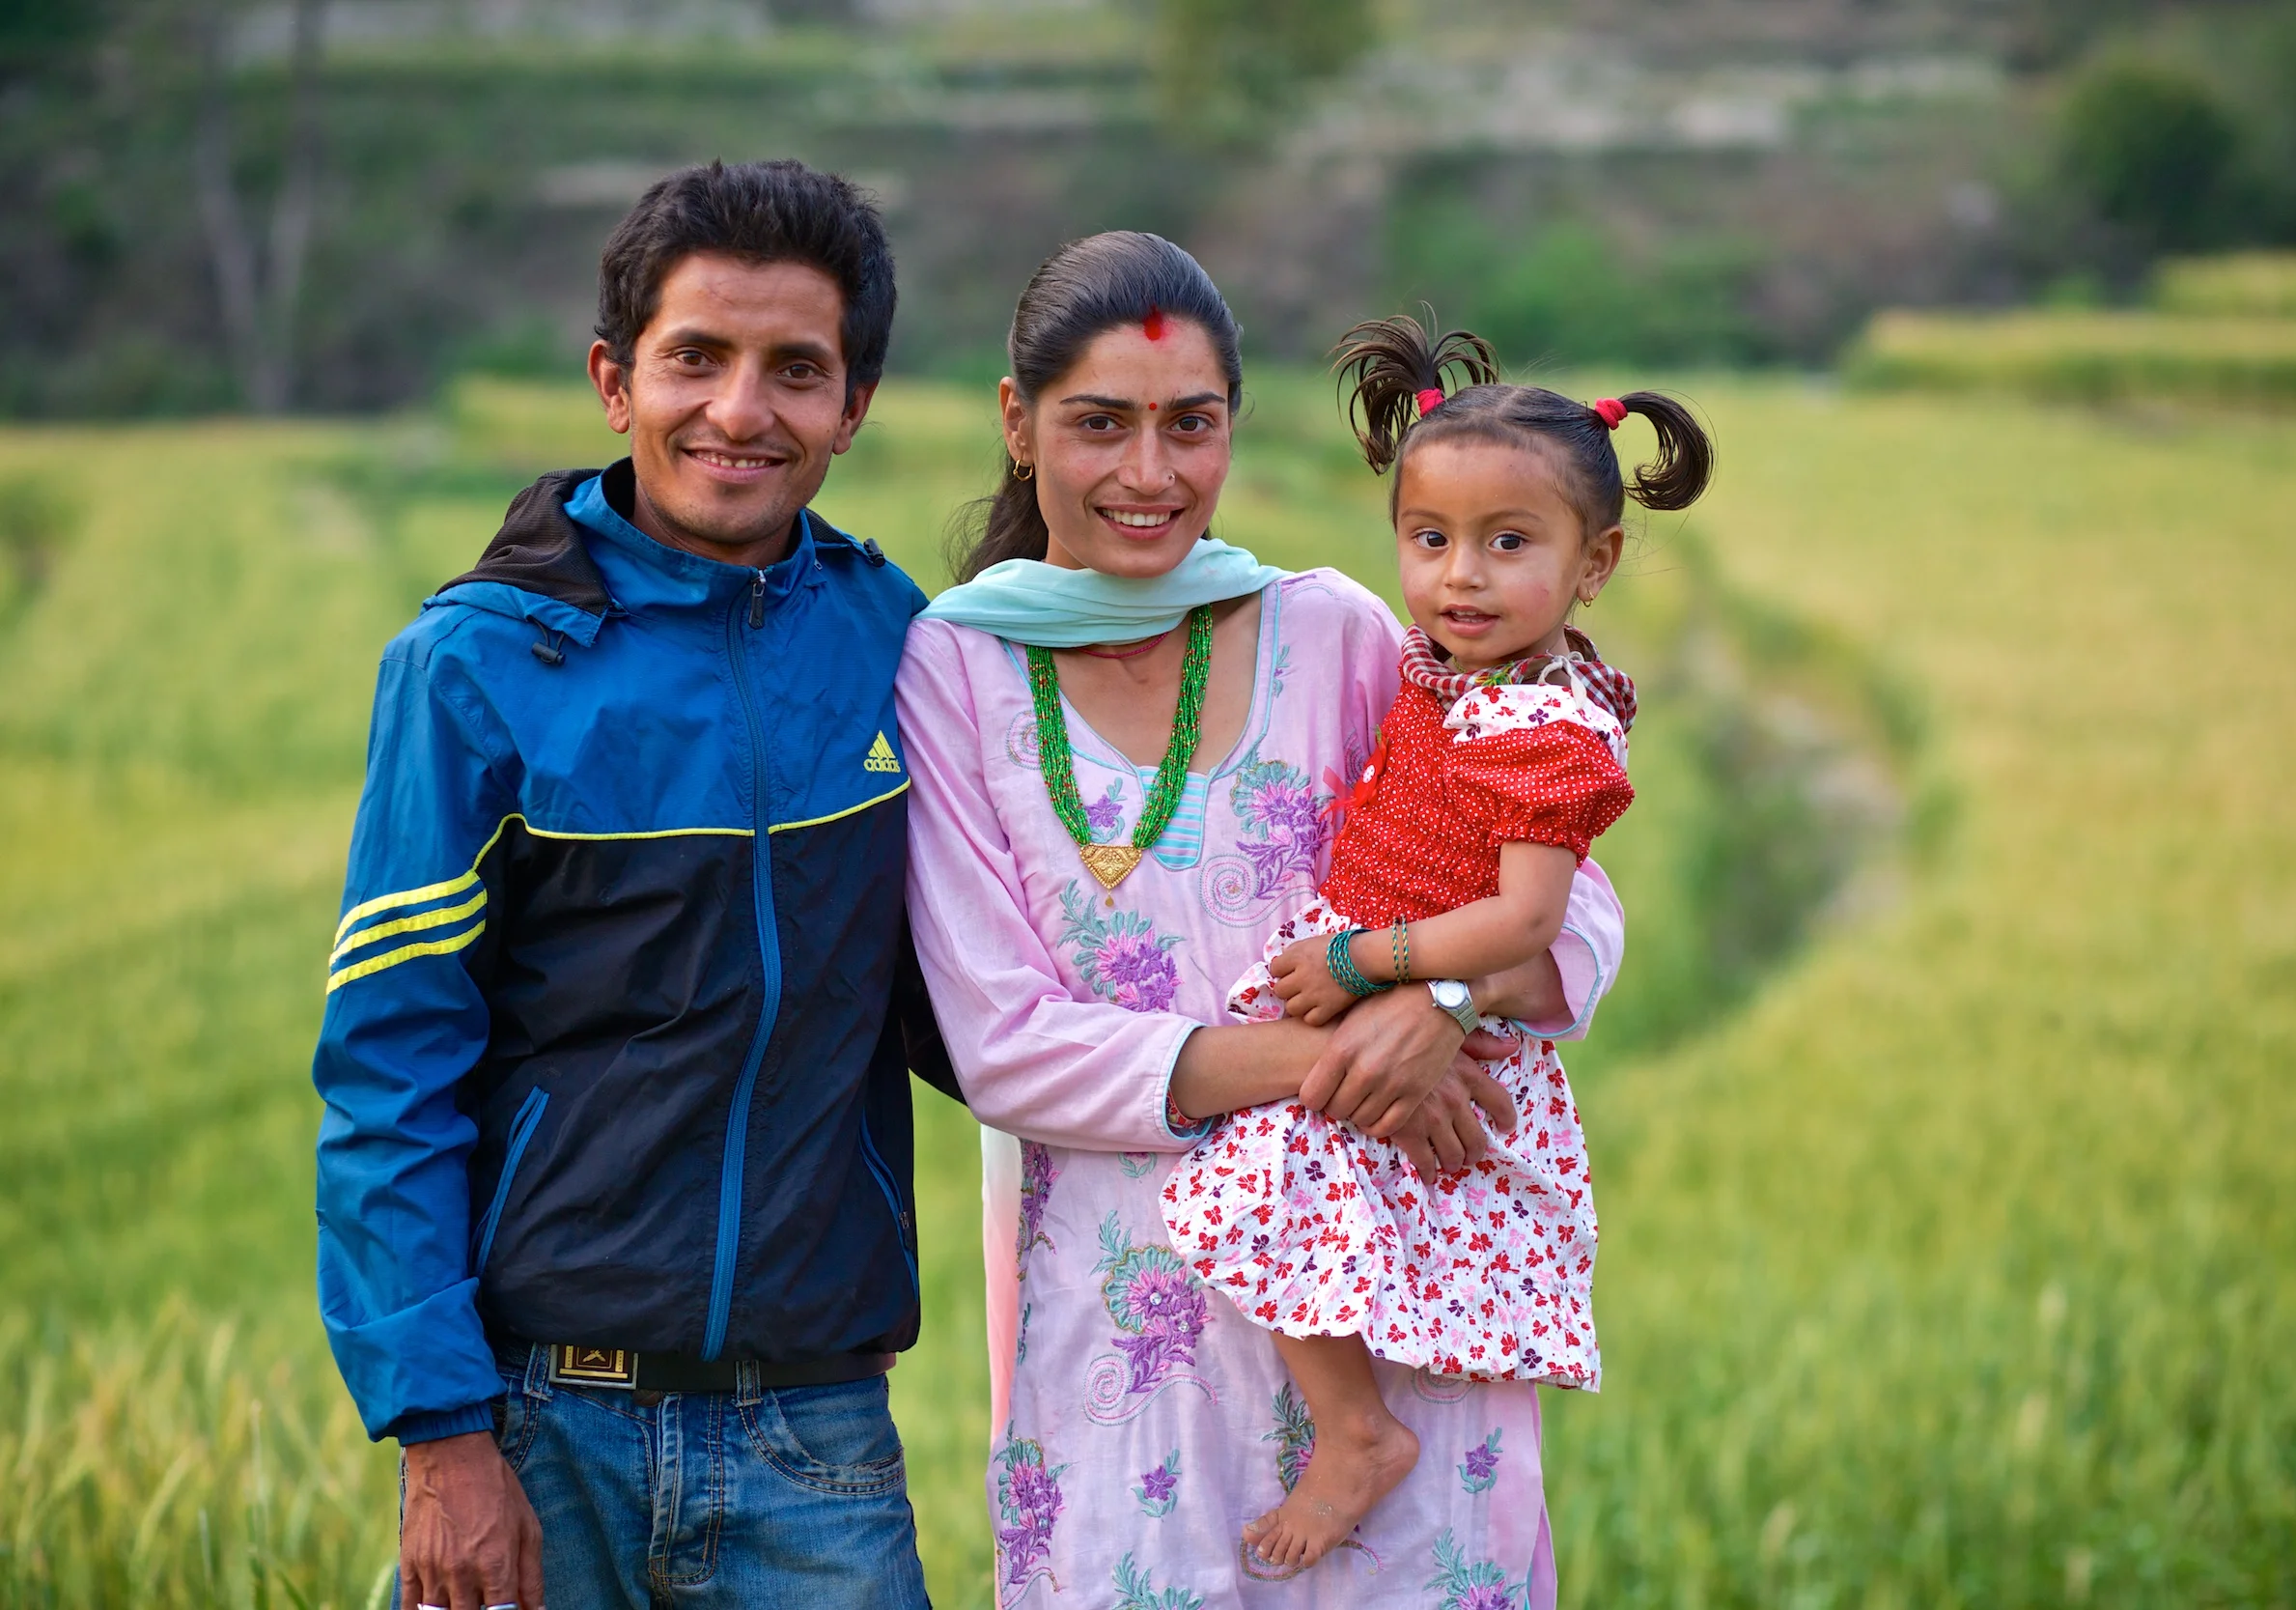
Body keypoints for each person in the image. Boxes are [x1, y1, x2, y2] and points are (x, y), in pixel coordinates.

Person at [897, 231, 1632, 1607]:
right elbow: (1001, 1047)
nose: (1149, 473)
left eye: (1193, 424)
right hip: (1136, 1344)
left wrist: (1444, 998)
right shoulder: (954, 665)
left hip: (1396, 1309)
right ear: (1017, 421)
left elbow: (1572, 904)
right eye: (1099, 424)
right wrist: (1342, 1058)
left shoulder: (1337, 632)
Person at [312, 159, 953, 1610]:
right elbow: (387, 1069)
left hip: (819, 1432)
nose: (742, 411)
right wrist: (443, 1439)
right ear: (616, 380)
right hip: (537, 1428)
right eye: (697, 359)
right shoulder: (473, 668)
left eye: (797, 370)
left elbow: (994, 983)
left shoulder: (902, 641)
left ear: (853, 406)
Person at [1163, 315, 1716, 1569]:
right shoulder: (1466, 665)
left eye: (1507, 544)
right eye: (1430, 540)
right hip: (1388, 971)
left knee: (1261, 1181)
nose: (1460, 576)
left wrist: (1371, 964)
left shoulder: (1547, 721)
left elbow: (1529, 916)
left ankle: (1359, 1434)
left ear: (1596, 561)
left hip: (1418, 990)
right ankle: (1356, 1427)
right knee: (1296, 1198)